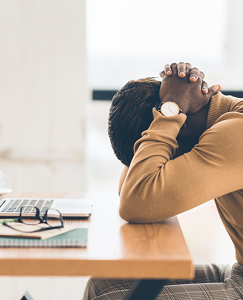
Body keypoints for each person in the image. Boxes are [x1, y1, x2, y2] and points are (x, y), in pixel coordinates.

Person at [83, 62, 243, 300]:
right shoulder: (216, 122)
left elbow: (135, 201)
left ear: (180, 124)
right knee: (102, 284)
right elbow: (127, 189)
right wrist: (171, 107)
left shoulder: (232, 134)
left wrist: (171, 110)